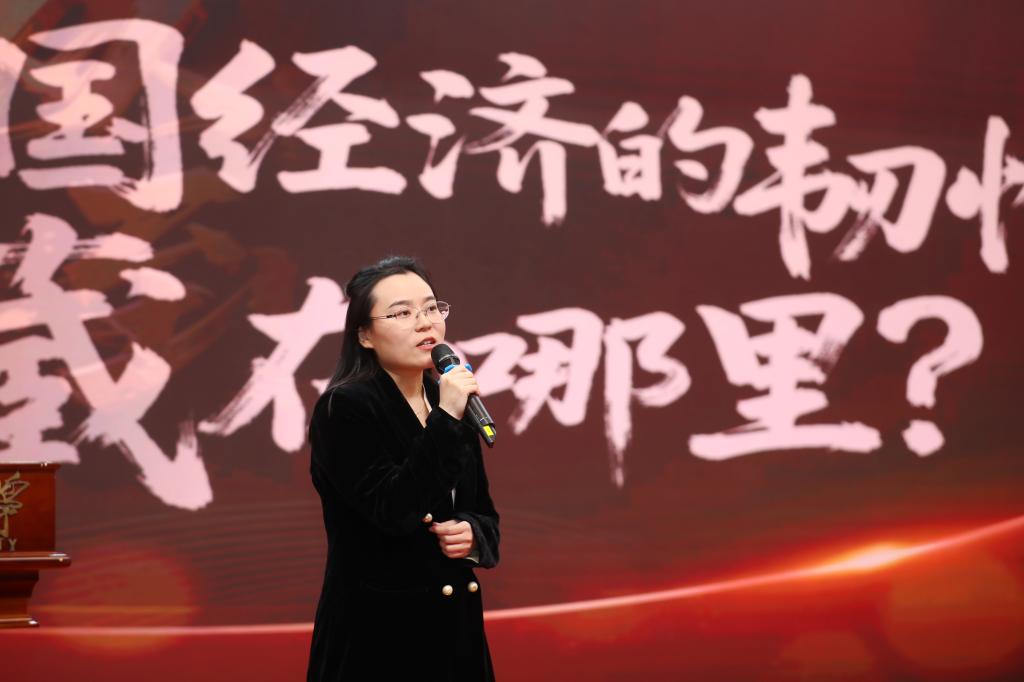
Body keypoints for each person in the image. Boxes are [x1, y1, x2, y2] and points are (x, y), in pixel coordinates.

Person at [307, 255, 500, 682]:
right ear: (365, 334)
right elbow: (393, 509)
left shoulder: (447, 399)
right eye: (402, 313)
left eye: (431, 308)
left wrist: (473, 535)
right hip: (380, 640)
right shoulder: (344, 408)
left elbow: (484, 514)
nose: (424, 322)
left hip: (457, 637)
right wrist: (446, 418)